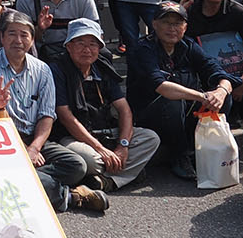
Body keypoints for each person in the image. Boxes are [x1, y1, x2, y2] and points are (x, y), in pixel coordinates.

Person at [0, 13, 105, 213]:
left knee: (77, 166)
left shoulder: (42, 69)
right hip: (2, 142)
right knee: (15, 169)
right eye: (12, 34)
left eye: (24, 35)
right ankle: (71, 196)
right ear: (2, 37)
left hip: (35, 139)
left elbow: (47, 115)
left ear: (32, 39)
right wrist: (22, 149)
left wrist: (34, 148)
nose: (18, 40)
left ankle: (21, 181)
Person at [127, 1, 235, 179]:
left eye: (177, 23)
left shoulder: (189, 45)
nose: (172, 28)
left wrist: (221, 91)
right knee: (173, 102)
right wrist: (202, 96)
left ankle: (200, 147)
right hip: (150, 116)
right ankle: (179, 155)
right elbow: (162, 87)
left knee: (223, 97)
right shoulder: (143, 49)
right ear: (154, 24)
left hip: (186, 110)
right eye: (166, 22)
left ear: (185, 27)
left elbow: (218, 71)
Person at [52, 18, 161, 191]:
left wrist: (123, 146)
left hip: (106, 131)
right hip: (74, 137)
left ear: (99, 48)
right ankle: (127, 172)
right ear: (69, 46)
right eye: (80, 43)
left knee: (150, 139)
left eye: (93, 44)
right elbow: (65, 117)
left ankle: (105, 180)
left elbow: (124, 109)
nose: (87, 49)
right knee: (89, 161)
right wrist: (100, 148)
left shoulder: (102, 67)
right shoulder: (57, 70)